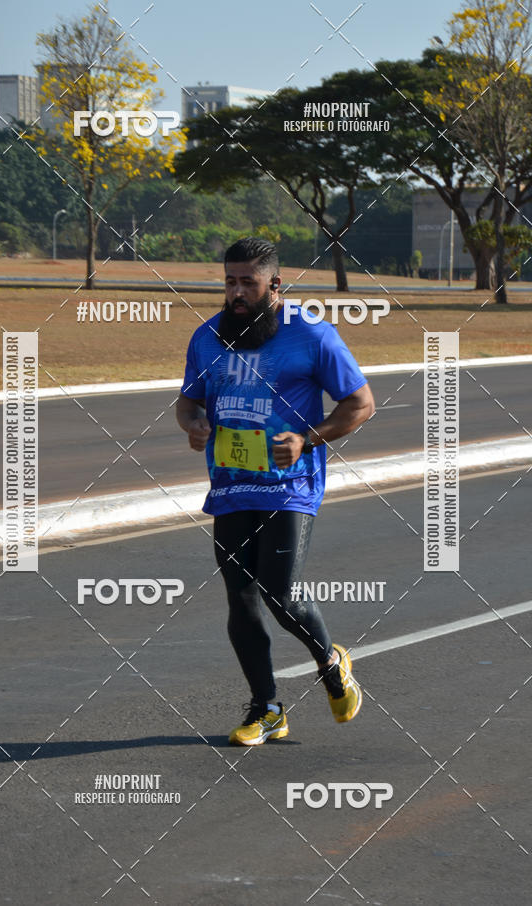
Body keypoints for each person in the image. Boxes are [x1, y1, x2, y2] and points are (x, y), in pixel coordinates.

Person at [176, 237, 375, 746]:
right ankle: (266, 708)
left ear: (275, 286)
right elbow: (187, 402)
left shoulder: (311, 335)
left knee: (280, 594)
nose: (237, 292)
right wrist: (194, 423)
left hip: (291, 485)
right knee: (240, 598)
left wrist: (307, 438)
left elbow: (359, 404)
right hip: (231, 485)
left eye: (249, 283)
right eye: (230, 282)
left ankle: (331, 661)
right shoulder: (207, 338)